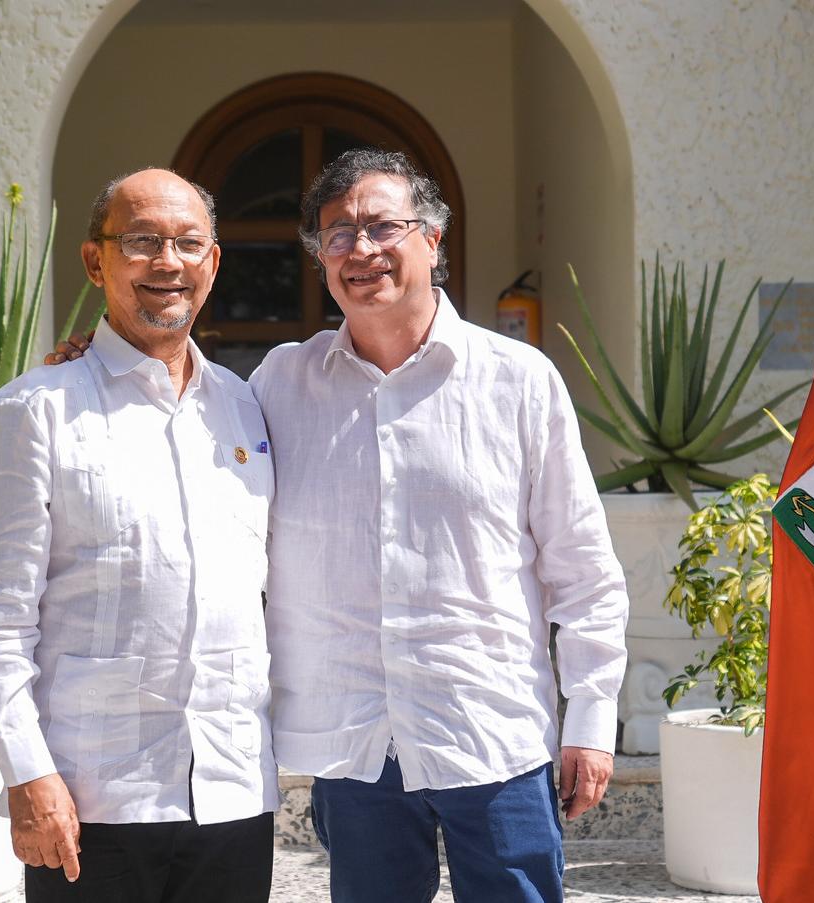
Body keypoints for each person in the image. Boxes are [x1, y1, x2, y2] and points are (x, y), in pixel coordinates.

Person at [49, 149, 629, 902]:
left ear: (433, 241)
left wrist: (590, 715)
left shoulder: (517, 381)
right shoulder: (276, 386)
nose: (360, 249)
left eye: (382, 226)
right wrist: (85, 366)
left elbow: (582, 569)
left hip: (494, 736)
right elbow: (172, 419)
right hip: (354, 754)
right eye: (337, 234)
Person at [0, 168, 277, 903]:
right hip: (91, 796)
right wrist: (27, 774)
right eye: (141, 241)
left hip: (232, 787)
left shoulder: (245, 408)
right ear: (94, 261)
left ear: (213, 263)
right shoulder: (33, 412)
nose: (167, 262)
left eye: (188, 243)